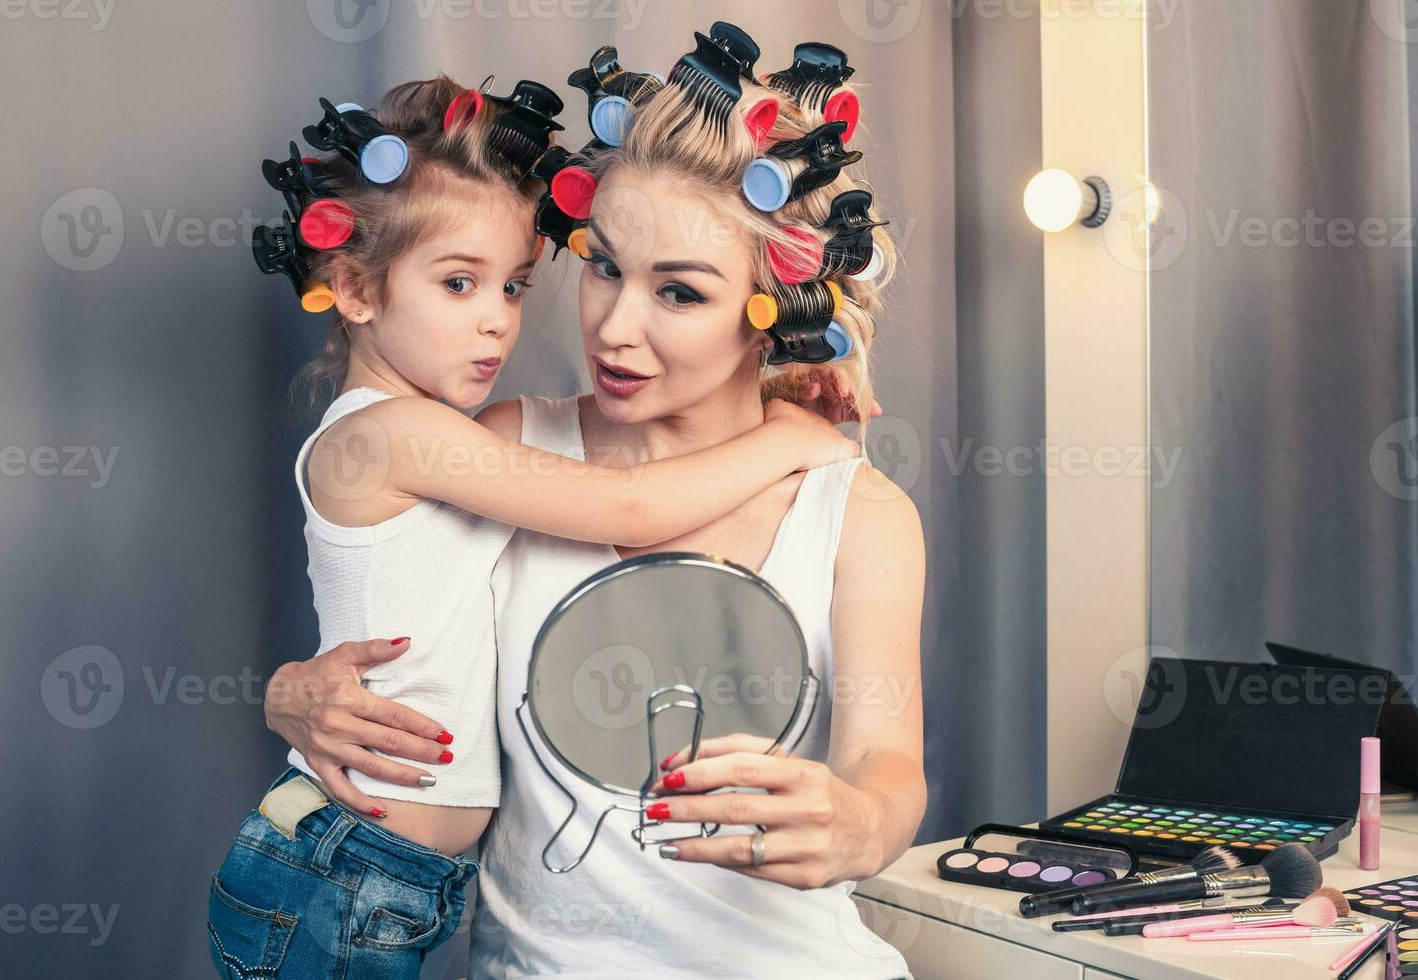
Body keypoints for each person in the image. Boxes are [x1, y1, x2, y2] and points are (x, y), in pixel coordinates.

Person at [266, 25, 926, 978]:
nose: (615, 329)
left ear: (771, 308)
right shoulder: (500, 445)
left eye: (681, 293)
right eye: (605, 267)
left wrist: (863, 821)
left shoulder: (857, 514)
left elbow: (888, 765)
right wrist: (290, 693)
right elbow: (382, 592)